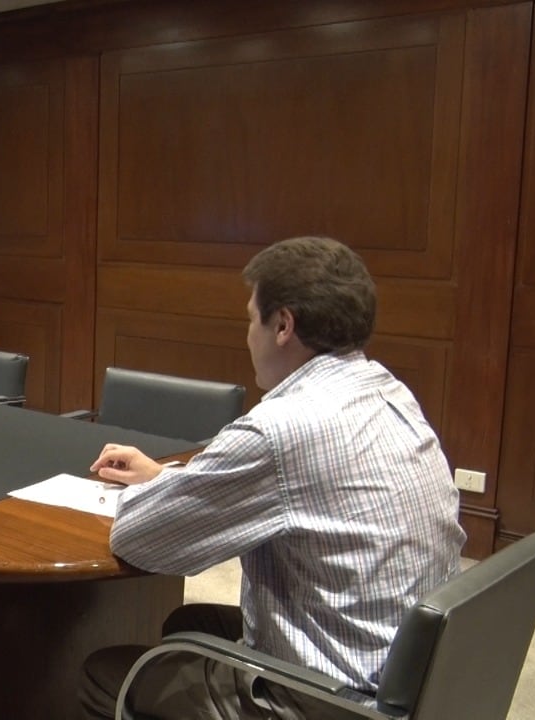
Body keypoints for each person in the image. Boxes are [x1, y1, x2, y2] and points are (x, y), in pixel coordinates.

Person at [78, 236, 465, 719]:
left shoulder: (282, 426)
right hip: (406, 671)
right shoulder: (390, 392)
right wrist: (167, 477)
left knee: (103, 674)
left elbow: (140, 538)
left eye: (249, 319)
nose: (247, 336)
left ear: (283, 324)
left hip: (331, 700)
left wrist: (163, 492)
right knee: (188, 624)